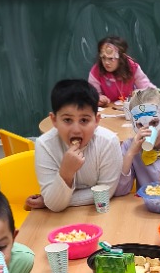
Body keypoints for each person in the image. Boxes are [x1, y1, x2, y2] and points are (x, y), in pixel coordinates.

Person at [27, 79, 123, 212]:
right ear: (54, 120)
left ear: (96, 120)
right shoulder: (44, 145)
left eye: (84, 120)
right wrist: (66, 172)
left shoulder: (108, 142)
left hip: (97, 214)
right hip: (57, 219)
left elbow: (106, 193)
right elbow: (54, 205)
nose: (76, 130)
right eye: (67, 120)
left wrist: (49, 200)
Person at [88, 36, 154, 107]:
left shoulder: (132, 67)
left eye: (111, 58)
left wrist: (155, 94)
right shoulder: (96, 71)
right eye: (103, 58)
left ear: (121, 57)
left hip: (129, 108)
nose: (106, 62)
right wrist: (98, 99)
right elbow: (92, 95)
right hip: (107, 109)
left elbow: (146, 87)